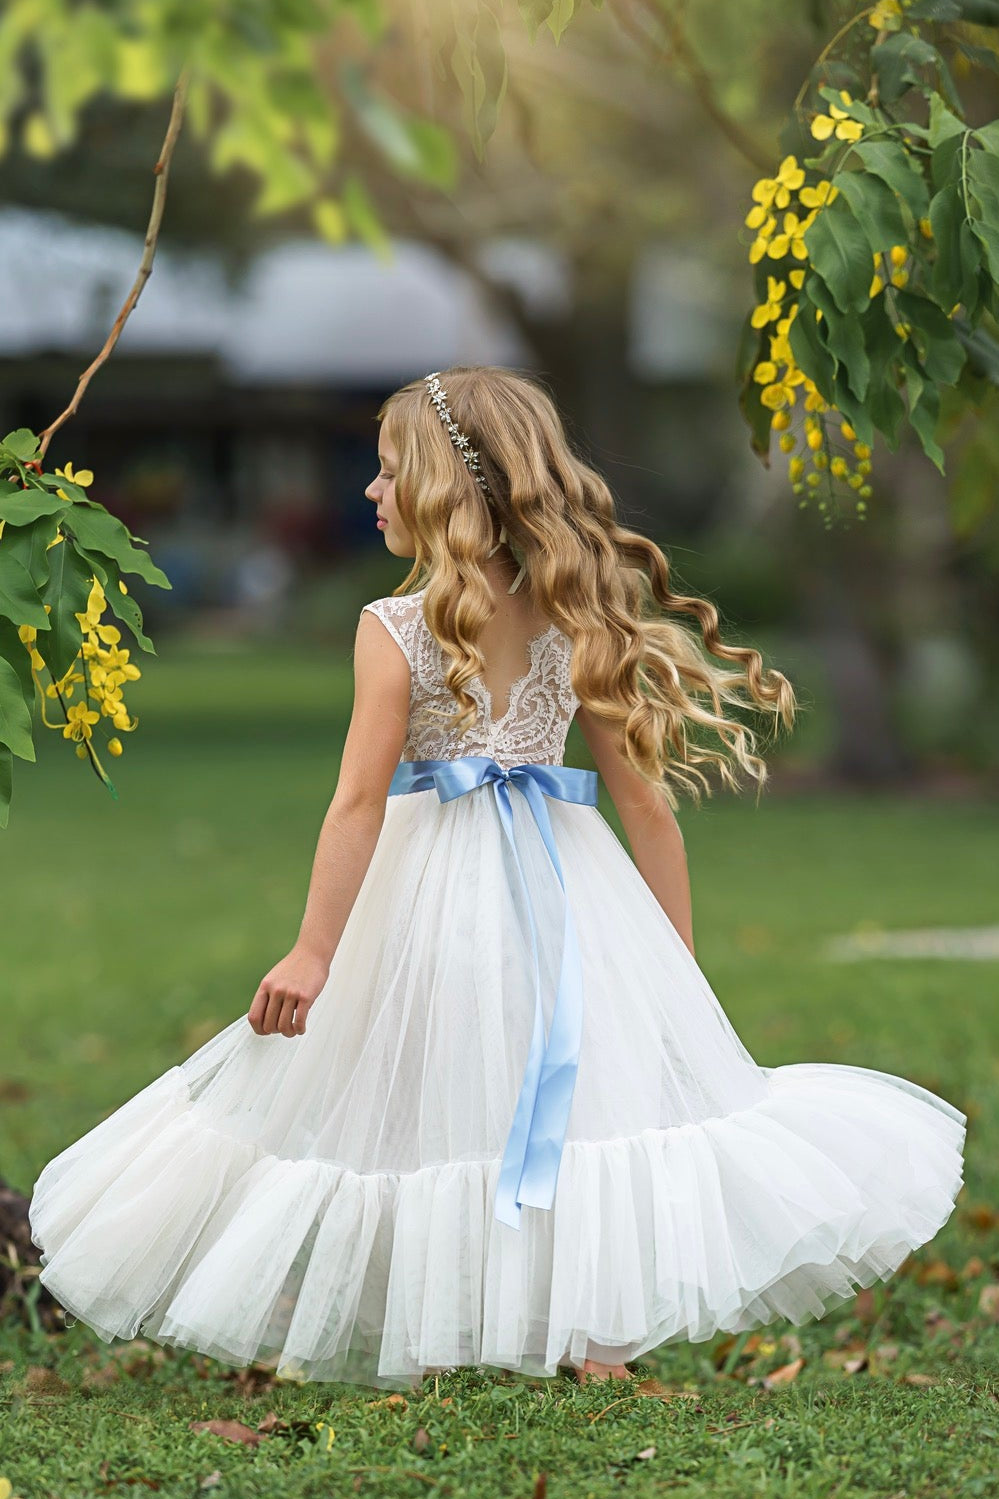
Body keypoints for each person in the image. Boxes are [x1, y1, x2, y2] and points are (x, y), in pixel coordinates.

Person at [29, 365, 967, 1393]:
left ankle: (460, 1323)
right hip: (566, 878)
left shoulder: (397, 625)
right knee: (574, 1096)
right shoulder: (575, 612)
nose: (371, 490)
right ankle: (590, 1339)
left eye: (389, 471)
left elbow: (360, 802)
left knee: (437, 1087)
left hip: (441, 881)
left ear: (447, 487)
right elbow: (645, 813)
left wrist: (316, 949)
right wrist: (668, 966)